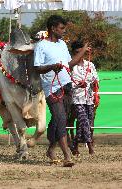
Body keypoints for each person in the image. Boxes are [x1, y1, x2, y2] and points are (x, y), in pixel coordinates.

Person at [33, 15, 91, 167]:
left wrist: (83, 51)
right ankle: (67, 155)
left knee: (59, 120)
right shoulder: (41, 46)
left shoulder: (62, 45)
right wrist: (52, 66)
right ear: (53, 28)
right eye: (61, 28)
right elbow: (37, 68)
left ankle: (51, 149)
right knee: (61, 118)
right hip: (52, 88)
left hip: (67, 86)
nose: (63, 31)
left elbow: (69, 64)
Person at [70, 40, 99, 155]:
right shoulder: (71, 66)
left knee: (86, 123)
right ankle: (90, 145)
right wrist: (77, 84)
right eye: (79, 52)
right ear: (75, 52)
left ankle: (75, 144)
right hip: (77, 99)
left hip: (89, 98)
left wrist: (94, 82)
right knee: (84, 121)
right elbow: (67, 83)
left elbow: (95, 78)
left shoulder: (90, 65)